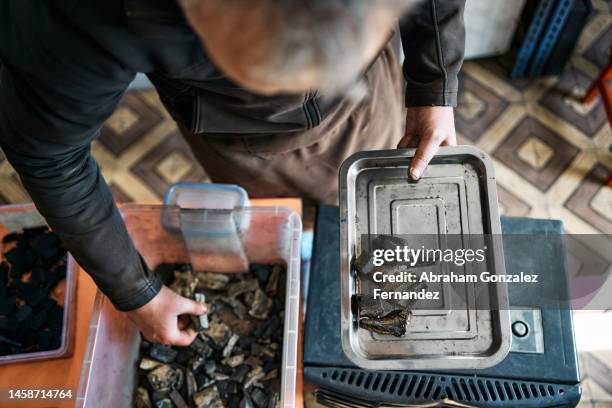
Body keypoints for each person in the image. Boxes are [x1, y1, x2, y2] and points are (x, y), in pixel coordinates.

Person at [0, 0, 465, 345]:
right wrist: (136, 292)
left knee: (364, 201)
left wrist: (434, 85)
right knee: (287, 211)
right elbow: (50, 157)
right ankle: (303, 243)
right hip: (247, 137)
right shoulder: (70, 18)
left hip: (362, 100)